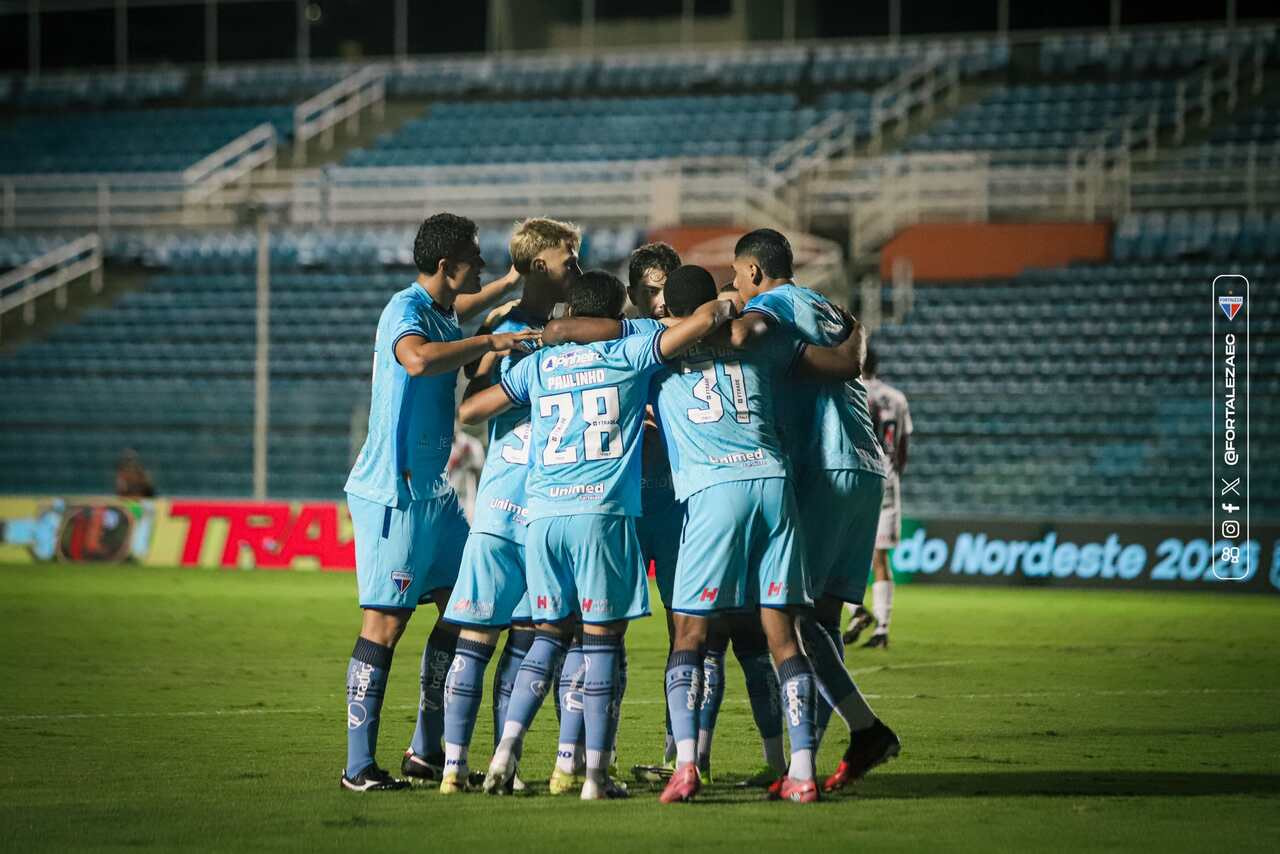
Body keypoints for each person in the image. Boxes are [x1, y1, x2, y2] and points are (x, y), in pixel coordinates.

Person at [459, 270, 735, 800]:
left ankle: (504, 751)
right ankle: (594, 777)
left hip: (541, 517)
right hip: (599, 514)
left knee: (546, 637)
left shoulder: (540, 363)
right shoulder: (629, 353)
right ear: (615, 314)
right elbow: (696, 326)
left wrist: (540, 349)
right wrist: (722, 304)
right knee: (601, 643)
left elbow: (471, 411)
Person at [339, 213, 540, 792]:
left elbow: (464, 309)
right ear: (449, 265)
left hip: (436, 495)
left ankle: (427, 751)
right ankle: (357, 767)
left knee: (467, 611)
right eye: (474, 258)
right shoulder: (405, 309)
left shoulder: (443, 308)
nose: (479, 264)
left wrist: (507, 285)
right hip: (393, 494)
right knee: (384, 625)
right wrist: (491, 340)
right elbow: (419, 359)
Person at [729, 228, 901, 795]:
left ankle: (861, 731)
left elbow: (836, 365)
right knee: (821, 620)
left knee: (792, 616)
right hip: (866, 466)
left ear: (754, 272)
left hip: (822, 466)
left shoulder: (770, 307)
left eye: (737, 275)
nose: (736, 285)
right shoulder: (824, 304)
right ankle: (825, 750)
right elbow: (849, 354)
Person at [437, 217, 581, 794]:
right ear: (536, 263)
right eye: (567, 257)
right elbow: (471, 403)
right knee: (482, 638)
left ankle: (503, 764)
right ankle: (452, 767)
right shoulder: (506, 325)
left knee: (524, 641)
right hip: (514, 499)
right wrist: (518, 368)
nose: (575, 265)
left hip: (548, 505)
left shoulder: (576, 325)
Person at [844, 346, 912, 649]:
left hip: (857, 475)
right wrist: (895, 472)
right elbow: (903, 446)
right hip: (887, 479)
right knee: (880, 557)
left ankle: (857, 610)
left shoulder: (849, 390)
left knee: (838, 553)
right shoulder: (897, 398)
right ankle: (882, 629)